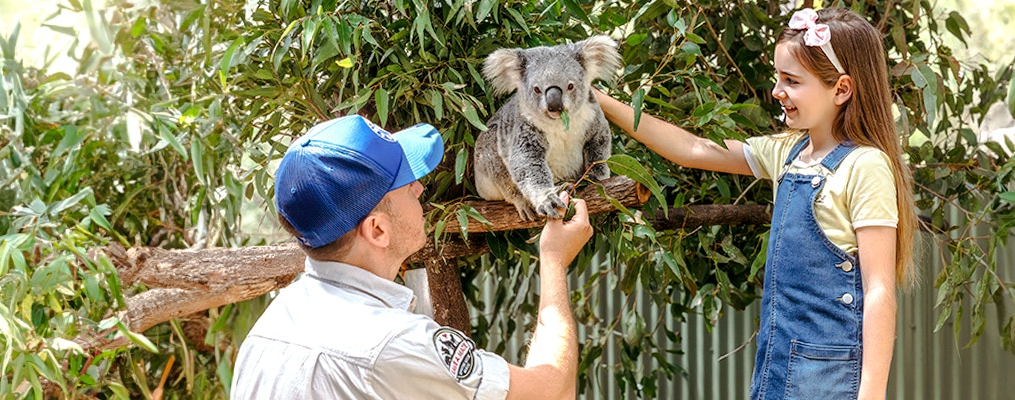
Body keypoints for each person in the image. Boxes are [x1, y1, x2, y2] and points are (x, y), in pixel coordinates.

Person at [594, 7, 916, 400]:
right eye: (778, 77)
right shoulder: (788, 152)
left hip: (828, 378)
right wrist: (598, 100)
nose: (778, 91)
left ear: (841, 89)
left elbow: (880, 288)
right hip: (776, 364)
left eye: (792, 81)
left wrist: (872, 392)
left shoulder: (865, 166)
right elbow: (693, 149)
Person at [230, 115, 592, 399]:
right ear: (377, 230)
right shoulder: (391, 345)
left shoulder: (274, 325)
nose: (420, 187)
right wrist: (553, 261)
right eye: (406, 185)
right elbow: (552, 392)